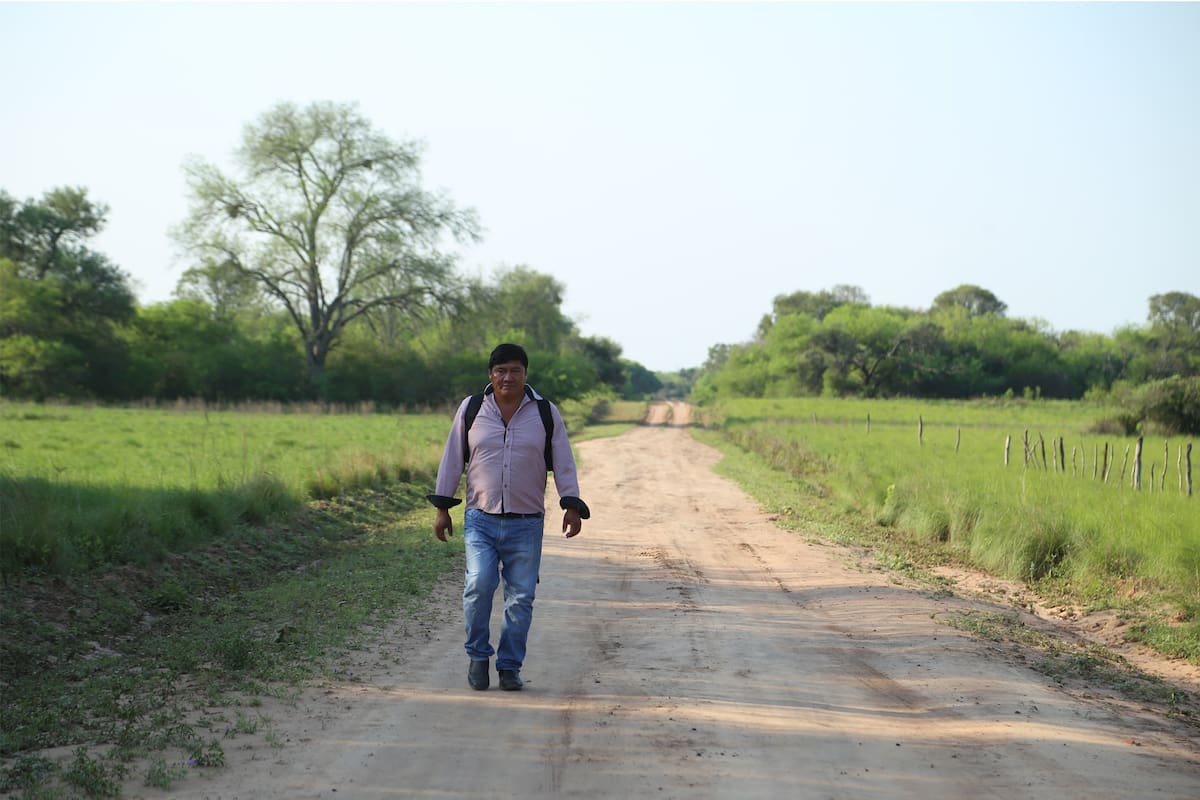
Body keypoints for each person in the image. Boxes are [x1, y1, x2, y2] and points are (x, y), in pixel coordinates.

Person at [427, 343, 590, 691]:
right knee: (478, 584)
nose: (507, 377)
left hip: (527, 522)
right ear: (490, 375)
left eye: (515, 370)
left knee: (521, 597)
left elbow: (563, 460)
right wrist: (442, 508)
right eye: (500, 371)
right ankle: (477, 656)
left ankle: (509, 667)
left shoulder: (545, 412)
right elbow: (453, 457)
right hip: (481, 519)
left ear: (525, 374)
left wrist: (571, 504)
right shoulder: (472, 408)